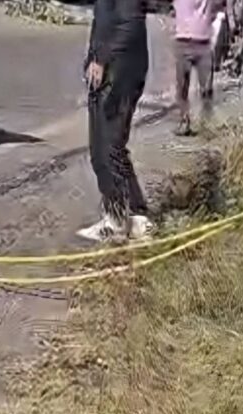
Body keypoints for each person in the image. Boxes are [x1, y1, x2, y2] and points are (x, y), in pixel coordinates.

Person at [79, 0, 153, 242]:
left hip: (120, 70)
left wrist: (101, 58)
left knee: (107, 148)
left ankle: (117, 219)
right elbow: (103, 22)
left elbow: (130, 24)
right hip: (117, 66)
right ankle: (136, 216)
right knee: (108, 147)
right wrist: (93, 58)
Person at [173, 0, 219, 137]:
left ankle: (207, 123)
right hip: (183, 41)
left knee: (207, 89)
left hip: (203, 43)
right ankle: (184, 121)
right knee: (182, 88)